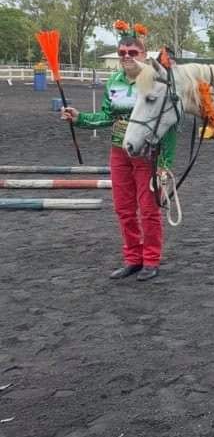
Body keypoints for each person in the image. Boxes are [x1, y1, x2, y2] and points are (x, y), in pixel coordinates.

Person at [60, 22, 177, 281]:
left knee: (148, 209)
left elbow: (170, 124)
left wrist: (165, 163)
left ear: (143, 55)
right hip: (119, 151)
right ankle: (133, 259)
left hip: (148, 154)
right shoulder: (113, 80)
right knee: (124, 209)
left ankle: (151, 260)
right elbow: (106, 116)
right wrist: (79, 118)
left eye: (132, 52)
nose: (126, 56)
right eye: (122, 52)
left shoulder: (156, 80)